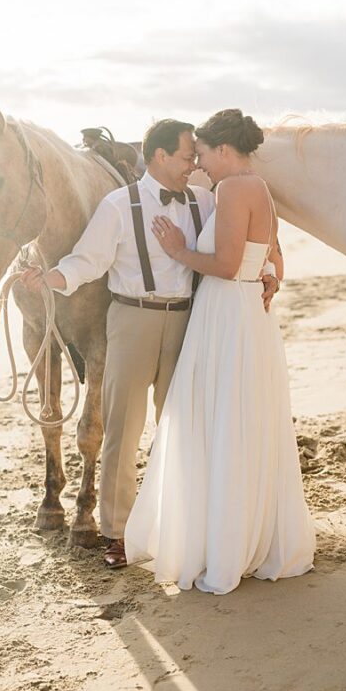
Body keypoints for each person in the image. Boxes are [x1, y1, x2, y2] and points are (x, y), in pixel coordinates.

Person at [21, 119, 271, 569]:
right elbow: (86, 262)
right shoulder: (118, 205)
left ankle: (182, 528)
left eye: (196, 157)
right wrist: (48, 280)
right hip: (132, 319)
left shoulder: (204, 200)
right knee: (123, 430)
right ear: (158, 156)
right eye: (185, 157)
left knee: (183, 430)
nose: (192, 165)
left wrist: (268, 270)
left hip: (191, 322)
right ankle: (118, 533)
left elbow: (245, 239)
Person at [123, 108, 315, 594]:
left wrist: (177, 250)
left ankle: (223, 544)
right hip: (248, 315)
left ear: (224, 149)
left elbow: (227, 264)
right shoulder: (261, 189)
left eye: (203, 153)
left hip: (228, 313)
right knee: (243, 424)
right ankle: (243, 535)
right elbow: (275, 257)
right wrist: (269, 277)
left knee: (221, 422)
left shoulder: (232, 189)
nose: (201, 164)